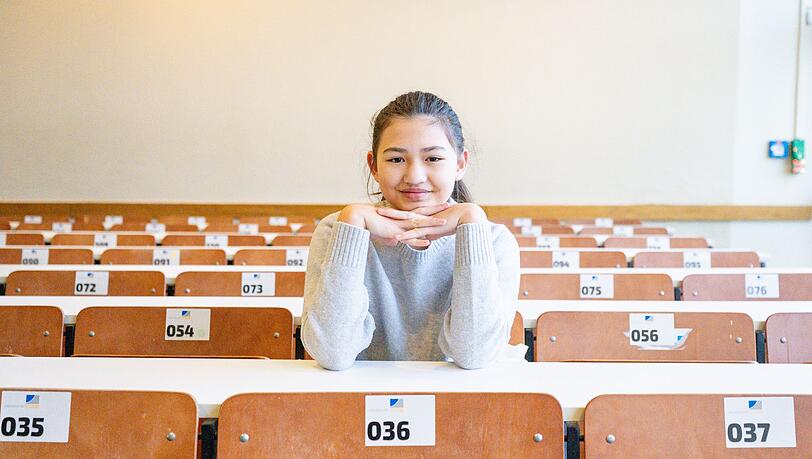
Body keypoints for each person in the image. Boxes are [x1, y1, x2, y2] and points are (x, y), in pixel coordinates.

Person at [301, 91, 520, 370]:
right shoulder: (337, 231)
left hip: (462, 405)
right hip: (358, 404)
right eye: (396, 160)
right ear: (374, 166)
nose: (414, 176)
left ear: (460, 164)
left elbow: (474, 355)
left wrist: (473, 221)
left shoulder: (493, 240)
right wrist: (353, 220)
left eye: (433, 159)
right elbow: (333, 354)